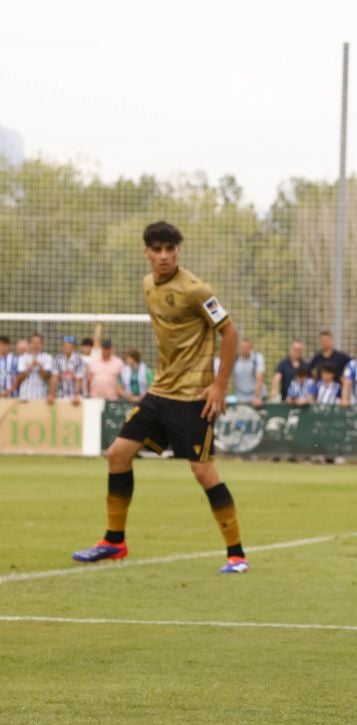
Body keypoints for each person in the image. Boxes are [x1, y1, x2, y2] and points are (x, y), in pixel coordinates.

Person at [71, 221, 249, 575]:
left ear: (178, 251)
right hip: (160, 392)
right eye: (157, 250)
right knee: (118, 454)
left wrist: (219, 385)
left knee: (203, 471)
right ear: (147, 253)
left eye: (171, 249)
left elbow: (229, 332)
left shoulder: (197, 290)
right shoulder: (147, 285)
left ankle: (237, 555)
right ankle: (114, 541)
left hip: (193, 397)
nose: (164, 256)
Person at [15, 333, 54, 401]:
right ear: (29, 344)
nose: (36, 345)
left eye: (39, 343)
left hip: (42, 396)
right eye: (34, 342)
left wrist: (39, 366)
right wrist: (29, 367)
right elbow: (19, 378)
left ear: (42, 344)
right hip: (25, 396)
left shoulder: (47, 357)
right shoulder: (22, 357)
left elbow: (47, 377)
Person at [51, 336, 88, 404]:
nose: (68, 347)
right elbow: (54, 377)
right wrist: (51, 394)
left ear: (74, 347)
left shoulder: (79, 359)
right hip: (61, 396)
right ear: (63, 347)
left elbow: (78, 379)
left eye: (70, 345)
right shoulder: (57, 359)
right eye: (66, 345)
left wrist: (76, 395)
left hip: (74, 398)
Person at [230, 338, 265, 407]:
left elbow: (259, 377)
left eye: (247, 347)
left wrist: (257, 397)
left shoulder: (257, 358)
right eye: (243, 347)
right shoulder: (235, 359)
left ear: (251, 348)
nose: (245, 350)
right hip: (240, 397)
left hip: (255, 397)